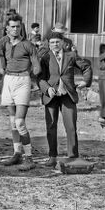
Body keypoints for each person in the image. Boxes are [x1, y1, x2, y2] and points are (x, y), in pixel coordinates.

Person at [38, 32, 92, 166]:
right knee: (51, 127)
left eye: (57, 42)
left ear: (62, 42)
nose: (55, 45)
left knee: (71, 126)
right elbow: (40, 78)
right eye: (52, 43)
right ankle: (52, 157)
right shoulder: (45, 58)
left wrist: (86, 82)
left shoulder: (71, 55)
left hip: (68, 95)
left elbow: (86, 67)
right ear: (48, 44)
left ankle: (73, 156)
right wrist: (46, 88)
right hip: (51, 96)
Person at [0, 13, 41, 171]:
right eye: (12, 26)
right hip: (8, 80)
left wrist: (35, 72)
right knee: (12, 122)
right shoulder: (3, 42)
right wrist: (1, 67)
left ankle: (29, 157)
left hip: (23, 81)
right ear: (7, 28)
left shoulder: (28, 44)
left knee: (20, 122)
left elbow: (36, 65)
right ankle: (17, 153)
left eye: (18, 26)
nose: (15, 29)